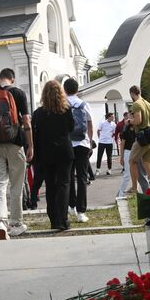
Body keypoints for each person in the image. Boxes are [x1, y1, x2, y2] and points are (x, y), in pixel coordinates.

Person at [0, 68, 33, 240]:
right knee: (16, 185)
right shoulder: (18, 93)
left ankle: (0, 221)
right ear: (13, 79)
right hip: (15, 143)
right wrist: (30, 145)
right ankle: (16, 223)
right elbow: (26, 122)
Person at [31, 81, 74, 230]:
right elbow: (71, 128)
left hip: (46, 154)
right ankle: (63, 218)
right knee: (64, 185)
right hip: (64, 152)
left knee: (50, 187)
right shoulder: (66, 110)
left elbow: (35, 135)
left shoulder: (38, 113)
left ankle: (54, 220)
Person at [63, 79, 93, 224]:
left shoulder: (62, 105)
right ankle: (81, 212)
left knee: (68, 177)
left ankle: (71, 206)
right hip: (82, 143)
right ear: (77, 89)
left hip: (67, 144)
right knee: (82, 177)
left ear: (64, 89)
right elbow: (90, 124)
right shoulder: (84, 104)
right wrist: (91, 142)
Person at [128, 86, 150, 192]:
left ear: (132, 94)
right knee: (147, 163)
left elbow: (138, 121)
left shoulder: (136, 104)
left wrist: (129, 121)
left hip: (142, 137)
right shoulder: (147, 103)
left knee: (132, 161)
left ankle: (134, 187)